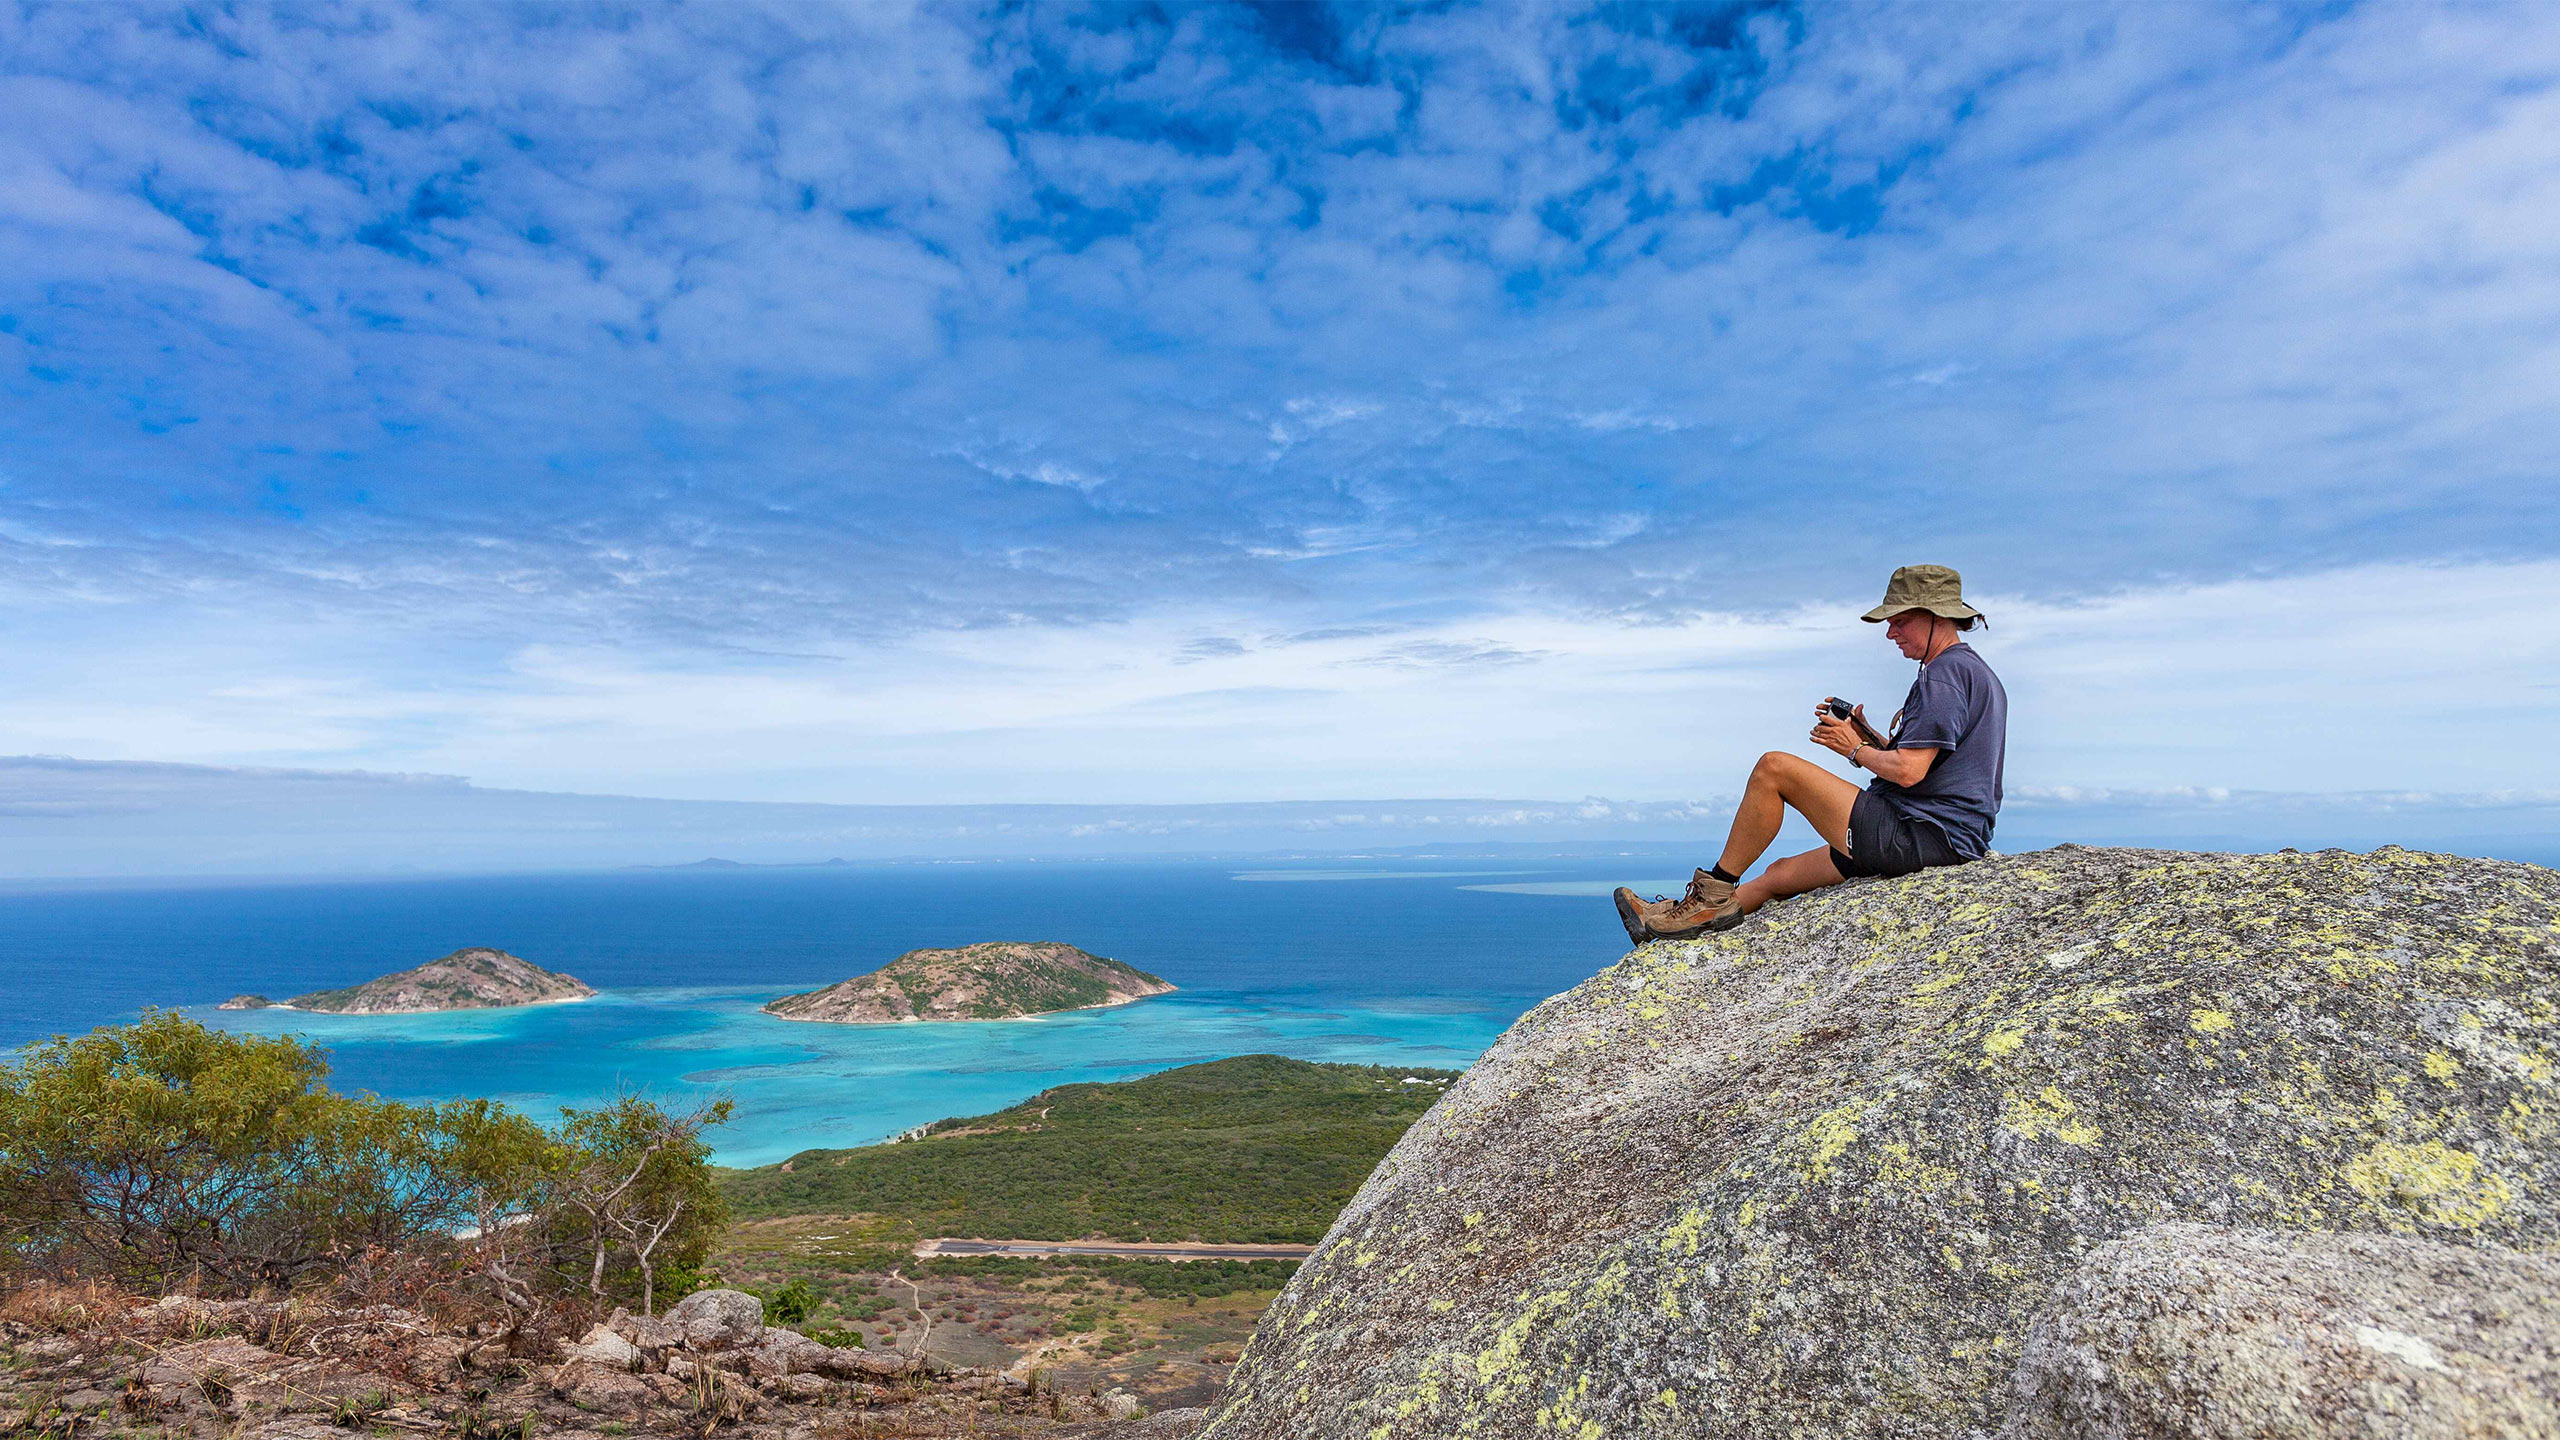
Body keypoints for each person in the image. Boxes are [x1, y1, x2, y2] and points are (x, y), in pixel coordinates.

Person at [1615, 564, 2008, 943]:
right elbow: (1929, 764)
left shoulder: (1944, 674)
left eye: (1900, 621)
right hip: (1939, 836)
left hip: (1919, 837)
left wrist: (1853, 749)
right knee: (1778, 875)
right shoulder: (1969, 671)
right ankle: (1671, 928)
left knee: (1774, 768)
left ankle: (1713, 892)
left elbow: (1908, 771)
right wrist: (1867, 737)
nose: (1890, 633)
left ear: (1935, 616)